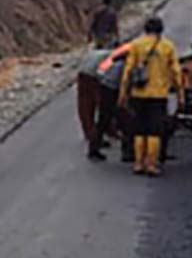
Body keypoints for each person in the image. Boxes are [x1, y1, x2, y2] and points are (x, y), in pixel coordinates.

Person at [119, 16, 184, 176]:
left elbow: (128, 71)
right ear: (161, 30)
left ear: (145, 29)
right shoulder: (167, 47)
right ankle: (152, 164)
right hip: (159, 95)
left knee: (139, 130)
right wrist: (181, 94)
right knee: (155, 131)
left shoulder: (136, 45)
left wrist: (123, 94)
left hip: (138, 95)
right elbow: (176, 72)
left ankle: (138, 163)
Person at [76, 48, 113, 161]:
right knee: (103, 105)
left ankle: (90, 133)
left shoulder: (104, 53)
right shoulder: (114, 59)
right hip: (92, 76)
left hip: (83, 73)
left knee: (85, 106)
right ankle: (98, 135)